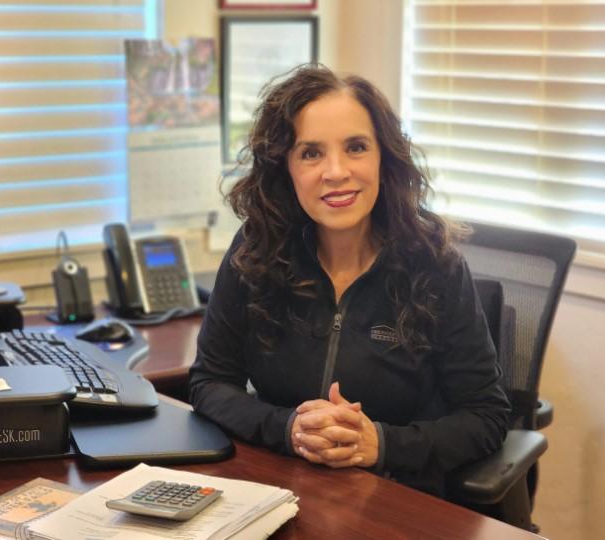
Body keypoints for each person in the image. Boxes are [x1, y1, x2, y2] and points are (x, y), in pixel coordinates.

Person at [188, 64, 510, 497]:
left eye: (356, 147)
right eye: (311, 153)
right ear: (285, 167)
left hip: (400, 500)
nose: (335, 171)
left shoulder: (435, 265)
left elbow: (486, 415)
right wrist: (289, 429)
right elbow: (209, 382)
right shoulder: (254, 252)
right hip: (279, 489)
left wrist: (380, 443)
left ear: (384, 158)